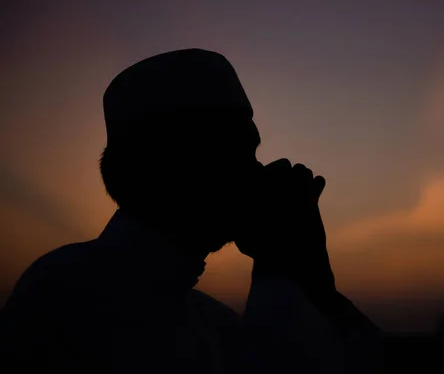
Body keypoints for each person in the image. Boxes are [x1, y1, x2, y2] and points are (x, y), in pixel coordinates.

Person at [0, 49, 382, 373]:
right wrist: (279, 263)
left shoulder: (212, 323)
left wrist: (315, 281)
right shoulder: (68, 292)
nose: (257, 172)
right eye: (237, 153)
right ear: (167, 166)